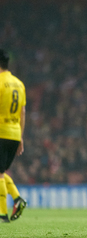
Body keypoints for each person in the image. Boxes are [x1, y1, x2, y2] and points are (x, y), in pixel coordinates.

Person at [0, 49, 27, 223]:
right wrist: (21, 137)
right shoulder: (19, 84)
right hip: (15, 133)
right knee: (1, 171)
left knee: (0, 175)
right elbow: (22, 112)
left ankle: (2, 214)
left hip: (1, 131)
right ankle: (17, 199)